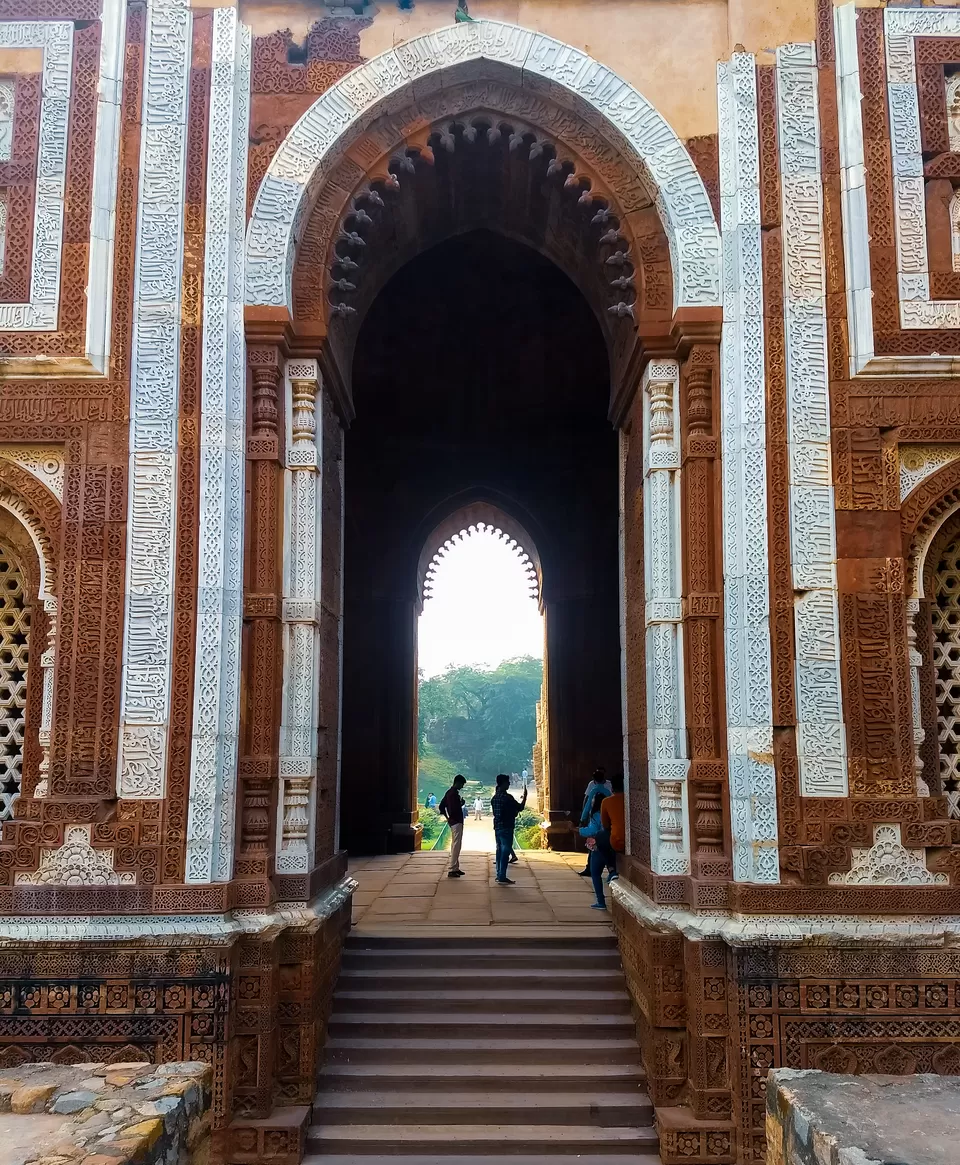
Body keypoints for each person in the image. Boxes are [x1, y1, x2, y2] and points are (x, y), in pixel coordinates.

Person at [491, 773, 526, 884]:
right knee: (505, 851)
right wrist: (525, 797)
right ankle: (502, 876)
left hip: (497, 827)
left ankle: (499, 874)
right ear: (503, 784)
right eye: (507, 782)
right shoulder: (508, 798)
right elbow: (520, 808)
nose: (509, 783)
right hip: (507, 826)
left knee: (499, 850)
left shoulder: (494, 798)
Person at [577, 768, 611, 876]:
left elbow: (587, 805)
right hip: (607, 819)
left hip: (595, 818)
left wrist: (582, 820)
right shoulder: (607, 790)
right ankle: (611, 869)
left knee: (592, 846)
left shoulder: (593, 790)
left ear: (594, 780)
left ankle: (590, 868)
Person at [580, 789, 611, 909]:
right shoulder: (609, 813)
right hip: (610, 844)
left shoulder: (596, 815)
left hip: (598, 846)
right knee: (612, 870)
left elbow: (592, 830)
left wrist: (579, 830)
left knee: (596, 873)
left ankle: (601, 901)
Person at [438, 774, 467, 878]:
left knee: (455, 844)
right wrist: (460, 804)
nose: (462, 786)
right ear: (458, 782)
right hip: (456, 821)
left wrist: (447, 818)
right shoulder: (453, 794)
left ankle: (455, 867)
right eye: (462, 784)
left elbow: (442, 806)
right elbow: (454, 809)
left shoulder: (449, 793)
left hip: (453, 821)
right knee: (456, 845)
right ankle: (452, 869)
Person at [600, 773, 625, 883]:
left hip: (617, 840)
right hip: (635, 840)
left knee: (600, 837)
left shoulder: (607, 801)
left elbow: (605, 824)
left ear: (612, 787)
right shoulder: (631, 799)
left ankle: (612, 869)